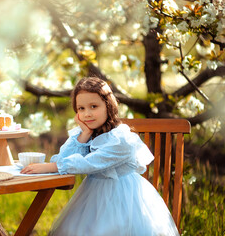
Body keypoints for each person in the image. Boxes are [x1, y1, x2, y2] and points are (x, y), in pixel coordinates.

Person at [20, 77, 180, 236]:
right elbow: (64, 156)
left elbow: (91, 163)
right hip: (92, 194)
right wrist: (85, 134)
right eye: (81, 109)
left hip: (124, 197)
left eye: (93, 106)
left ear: (108, 106)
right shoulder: (86, 132)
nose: (87, 114)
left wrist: (51, 166)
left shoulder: (121, 139)